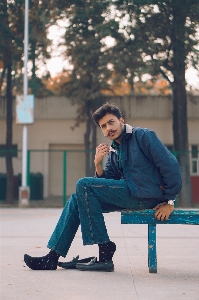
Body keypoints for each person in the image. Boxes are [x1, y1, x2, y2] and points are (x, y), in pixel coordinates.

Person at [24, 103, 182, 272]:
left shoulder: (143, 136)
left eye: (111, 122)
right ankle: (52, 257)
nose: (108, 129)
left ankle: (105, 248)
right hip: (130, 194)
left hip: (148, 197)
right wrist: (98, 163)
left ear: (121, 120)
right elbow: (107, 182)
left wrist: (169, 201)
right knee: (78, 197)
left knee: (83, 185)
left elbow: (170, 166)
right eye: (103, 126)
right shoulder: (114, 149)